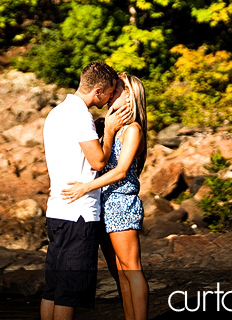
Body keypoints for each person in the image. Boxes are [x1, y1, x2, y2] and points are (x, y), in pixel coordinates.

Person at [41, 61, 130, 320]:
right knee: (69, 293)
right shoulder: (80, 115)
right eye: (110, 92)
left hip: (57, 210)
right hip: (78, 215)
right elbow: (98, 161)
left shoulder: (56, 112)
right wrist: (110, 131)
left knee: (52, 290)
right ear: (98, 91)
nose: (109, 99)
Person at [62, 72, 149, 320]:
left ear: (130, 96)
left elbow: (121, 171)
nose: (111, 94)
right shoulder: (109, 126)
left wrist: (84, 188)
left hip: (122, 201)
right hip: (105, 205)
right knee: (119, 273)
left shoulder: (133, 130)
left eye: (117, 89)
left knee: (132, 269)